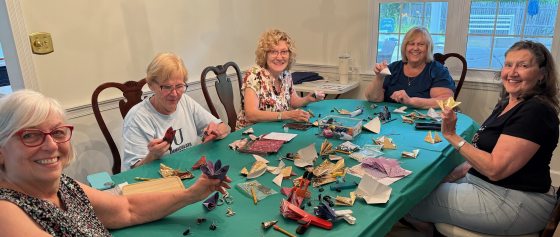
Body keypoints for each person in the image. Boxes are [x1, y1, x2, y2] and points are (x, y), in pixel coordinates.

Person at [0, 90, 232, 236]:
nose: (51, 145)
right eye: (30, 135)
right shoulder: (5, 212)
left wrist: (191, 194)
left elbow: (127, 209)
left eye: (58, 133)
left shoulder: (63, 186)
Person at [406, 41, 559, 235]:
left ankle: (432, 231)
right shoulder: (509, 102)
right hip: (488, 186)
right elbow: (485, 153)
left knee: (406, 199)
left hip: (513, 200)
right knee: (422, 184)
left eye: (523, 65)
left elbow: (494, 169)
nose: (512, 72)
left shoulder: (535, 111)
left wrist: (451, 135)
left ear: (542, 75)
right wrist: (450, 176)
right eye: (508, 64)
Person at [123, 53, 230, 171]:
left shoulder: (185, 101)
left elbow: (224, 127)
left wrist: (216, 131)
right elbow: (134, 172)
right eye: (167, 87)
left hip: (188, 170)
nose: (174, 94)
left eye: (179, 86)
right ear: (151, 85)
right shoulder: (137, 117)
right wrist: (153, 155)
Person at [235, 29, 324, 130]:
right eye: (273, 52)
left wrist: (307, 99)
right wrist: (287, 115)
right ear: (265, 54)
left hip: (276, 130)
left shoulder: (286, 74)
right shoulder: (254, 75)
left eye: (284, 52)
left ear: (289, 54)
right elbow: (251, 115)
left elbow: (294, 101)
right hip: (251, 134)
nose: (279, 57)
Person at [364, 26, 455, 108]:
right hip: (389, 121)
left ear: (428, 48)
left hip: (421, 123)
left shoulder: (437, 70)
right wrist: (379, 78)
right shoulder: (393, 68)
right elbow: (373, 99)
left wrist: (411, 101)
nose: (415, 48)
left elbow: (447, 101)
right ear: (405, 47)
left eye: (421, 44)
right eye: (411, 44)